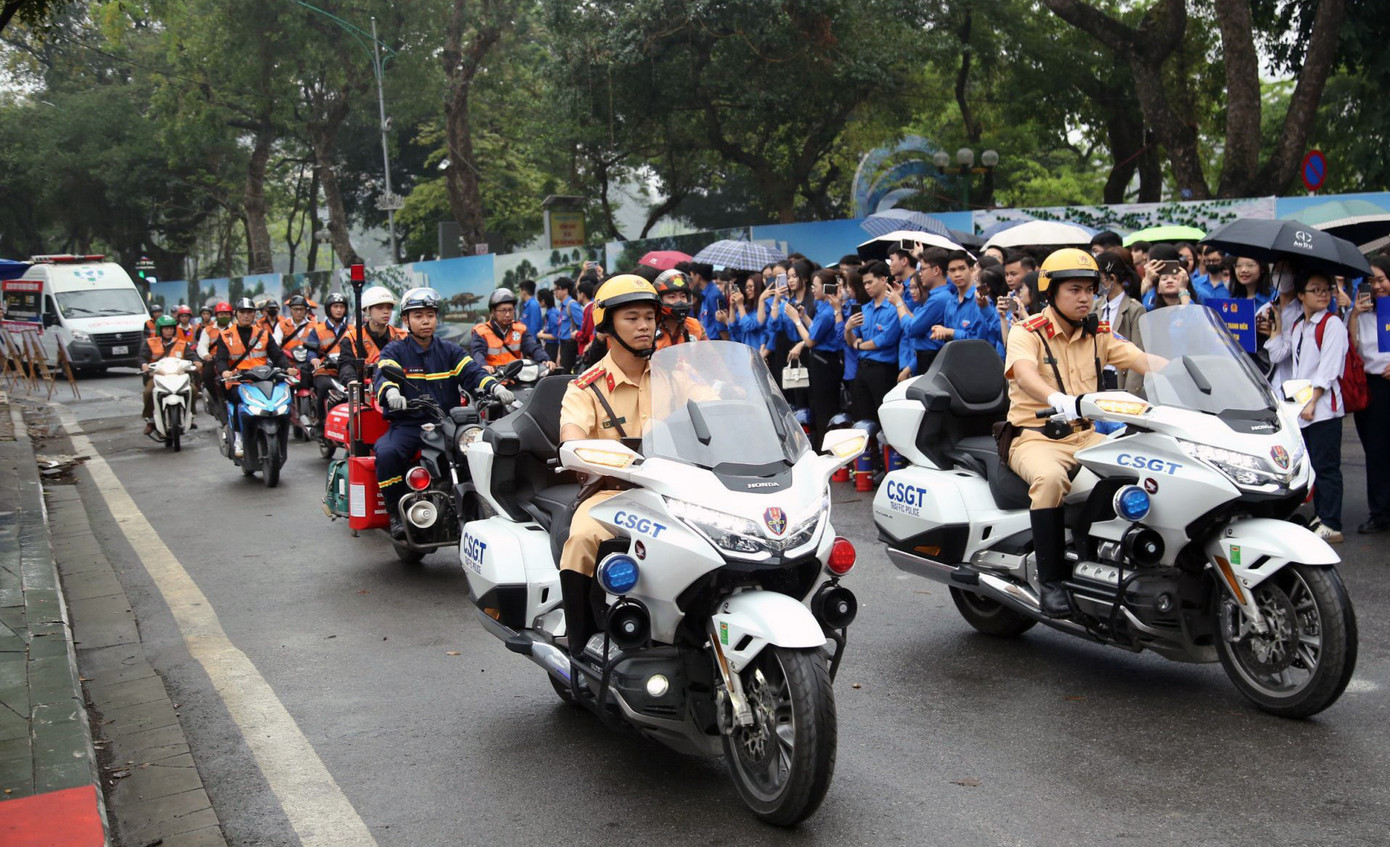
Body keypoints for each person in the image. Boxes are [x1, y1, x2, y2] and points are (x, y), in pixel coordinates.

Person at [1003, 248, 1156, 616]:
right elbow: (1024, 373)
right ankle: (1051, 582)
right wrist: (1057, 399)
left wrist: (1192, 371)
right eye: (1074, 289)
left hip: (1085, 437)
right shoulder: (1028, 332)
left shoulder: (1099, 332)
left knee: (1140, 469)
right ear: (1050, 292)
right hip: (1035, 436)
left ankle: (1097, 554)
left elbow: (1142, 360)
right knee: (1051, 480)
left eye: (1090, 289)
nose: (1085, 297)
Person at [557, 275, 661, 656]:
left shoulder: (675, 375)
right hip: (611, 495)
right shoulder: (585, 386)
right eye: (632, 317)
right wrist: (574, 445)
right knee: (582, 538)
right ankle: (580, 645)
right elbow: (571, 435)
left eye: (649, 316)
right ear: (606, 326)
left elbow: (716, 410)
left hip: (677, 493)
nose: (644, 325)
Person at [373, 288, 512, 540]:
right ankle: (395, 510)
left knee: (486, 446)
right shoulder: (395, 351)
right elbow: (384, 373)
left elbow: (472, 373)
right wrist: (392, 393)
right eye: (418, 316)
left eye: (430, 315)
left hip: (445, 424)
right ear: (406, 320)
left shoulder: (450, 350)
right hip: (409, 424)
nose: (425, 321)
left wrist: (495, 386)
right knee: (387, 453)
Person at [1265, 272, 1348, 543]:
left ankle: (1331, 523)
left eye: (1326, 290)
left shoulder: (1332, 324)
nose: (1323, 294)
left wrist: (1314, 399)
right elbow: (1279, 355)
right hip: (1303, 407)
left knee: (1326, 466)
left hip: (1323, 407)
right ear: (1301, 295)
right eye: (1316, 290)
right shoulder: (1301, 325)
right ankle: (1322, 516)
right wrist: (1277, 324)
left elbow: (1331, 367)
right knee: (1311, 466)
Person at [212, 297, 296, 458]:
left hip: (263, 379)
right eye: (242, 312)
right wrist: (225, 372)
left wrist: (288, 368)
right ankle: (238, 437)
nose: (246, 316)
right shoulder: (225, 335)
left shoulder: (263, 334)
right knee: (237, 401)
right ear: (236, 314)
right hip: (238, 380)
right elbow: (221, 359)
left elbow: (277, 355)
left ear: (254, 315)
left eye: (249, 312)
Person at [1348, 257, 1390, 534]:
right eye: (1370, 281)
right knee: (1375, 453)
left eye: (1381, 279)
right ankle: (1380, 513)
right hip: (1371, 387)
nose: (1376, 286)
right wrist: (1352, 314)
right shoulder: (1360, 313)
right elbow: (1351, 347)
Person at [790, 268, 846, 448]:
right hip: (822, 362)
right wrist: (804, 317)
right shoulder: (824, 309)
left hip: (824, 364)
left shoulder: (828, 312)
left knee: (824, 409)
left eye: (815, 286)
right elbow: (816, 330)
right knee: (819, 406)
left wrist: (796, 321)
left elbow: (811, 340)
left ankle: (825, 449)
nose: (813, 290)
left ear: (827, 288)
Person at [843, 260, 901, 422]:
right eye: (864, 283)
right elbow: (850, 340)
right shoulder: (865, 308)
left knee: (886, 420)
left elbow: (884, 340)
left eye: (870, 282)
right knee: (864, 420)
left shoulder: (894, 306)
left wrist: (860, 344)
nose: (867, 287)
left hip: (883, 370)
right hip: (862, 369)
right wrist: (848, 329)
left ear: (883, 280)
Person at [1095, 250, 1147, 393]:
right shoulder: (1095, 306)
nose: (1094, 284)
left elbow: (1138, 353)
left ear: (1112, 278)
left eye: (1099, 279)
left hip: (1119, 378)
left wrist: (1131, 394)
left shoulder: (1134, 309)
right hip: (1096, 377)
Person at [139, 316, 197, 434]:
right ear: (160, 330)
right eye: (165, 328)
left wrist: (197, 361)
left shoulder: (182, 343)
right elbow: (142, 357)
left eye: (171, 328)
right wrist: (144, 365)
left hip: (179, 375)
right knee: (148, 392)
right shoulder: (150, 343)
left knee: (193, 389)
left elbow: (192, 355)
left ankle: (191, 415)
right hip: (157, 376)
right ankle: (150, 420)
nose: (169, 331)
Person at [470, 287, 553, 371]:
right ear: (493, 312)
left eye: (510, 310)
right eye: (503, 310)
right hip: (492, 378)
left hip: (516, 376)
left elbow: (533, 347)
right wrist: (483, 366)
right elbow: (477, 353)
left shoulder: (520, 329)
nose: (507, 314)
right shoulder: (481, 331)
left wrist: (545, 360)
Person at [307, 293, 356, 423]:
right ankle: (320, 421)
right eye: (335, 306)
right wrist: (313, 359)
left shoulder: (351, 329)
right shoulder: (317, 330)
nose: (339, 310)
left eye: (342, 306)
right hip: (325, 371)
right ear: (329, 309)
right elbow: (311, 351)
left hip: (346, 370)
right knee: (323, 387)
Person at [197, 301, 234, 421]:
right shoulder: (208, 330)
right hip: (214, 361)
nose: (224, 316)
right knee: (206, 375)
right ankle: (215, 399)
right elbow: (201, 346)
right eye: (221, 314)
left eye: (227, 314)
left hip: (233, 361)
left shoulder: (235, 328)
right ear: (216, 315)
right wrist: (206, 355)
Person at [652, 269, 707, 350]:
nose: (679, 301)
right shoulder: (650, 329)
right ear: (660, 299)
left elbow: (711, 356)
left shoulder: (695, 326)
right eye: (672, 297)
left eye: (683, 296)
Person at [551, 277, 586, 372]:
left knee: (567, 374)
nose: (555, 292)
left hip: (571, 345)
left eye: (557, 289)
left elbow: (583, 326)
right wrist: (559, 354)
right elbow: (561, 332)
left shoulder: (572, 305)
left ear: (565, 290)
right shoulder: (562, 307)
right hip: (563, 345)